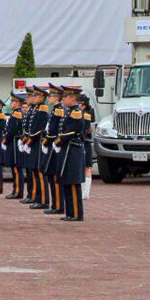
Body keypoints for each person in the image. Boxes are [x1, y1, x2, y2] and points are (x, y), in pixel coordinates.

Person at [56, 85, 91, 220]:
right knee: (67, 180)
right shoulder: (68, 111)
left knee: (73, 181)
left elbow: (71, 131)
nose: (63, 99)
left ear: (72, 98)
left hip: (73, 149)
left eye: (65, 97)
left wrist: (58, 141)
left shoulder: (75, 112)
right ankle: (70, 212)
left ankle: (76, 214)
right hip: (67, 148)